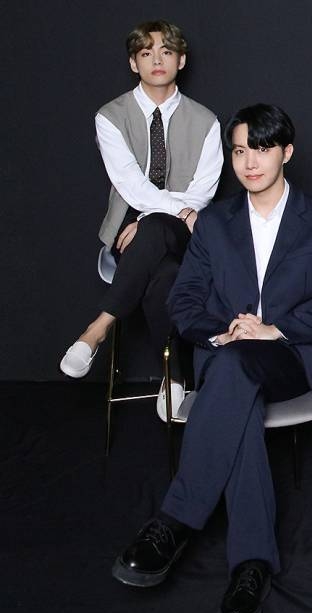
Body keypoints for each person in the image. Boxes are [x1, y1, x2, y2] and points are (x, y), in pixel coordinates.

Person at [110, 104, 312, 613]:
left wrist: (274, 329)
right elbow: (184, 300)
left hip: (290, 357)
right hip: (227, 353)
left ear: (287, 153)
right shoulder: (215, 224)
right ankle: (252, 564)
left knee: (233, 373)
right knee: (234, 383)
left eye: (261, 149)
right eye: (240, 151)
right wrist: (222, 332)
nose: (249, 162)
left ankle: (175, 520)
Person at [59, 20, 222, 419]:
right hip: (129, 231)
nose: (156, 60)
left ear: (181, 60)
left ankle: (97, 328)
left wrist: (153, 218)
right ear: (134, 63)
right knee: (165, 273)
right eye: (146, 53)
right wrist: (155, 215)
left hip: (185, 230)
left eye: (166, 51)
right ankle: (176, 376)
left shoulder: (207, 121)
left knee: (155, 230)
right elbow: (130, 184)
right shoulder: (110, 116)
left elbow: (203, 191)